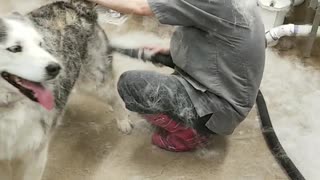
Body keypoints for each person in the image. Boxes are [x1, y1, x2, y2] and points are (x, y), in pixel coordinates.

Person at [89, 0, 266, 152]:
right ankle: (192, 120)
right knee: (165, 66)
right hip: (228, 93)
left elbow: (140, 6)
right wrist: (171, 51)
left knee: (130, 85)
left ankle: (190, 135)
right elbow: (213, 37)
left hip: (219, 109)